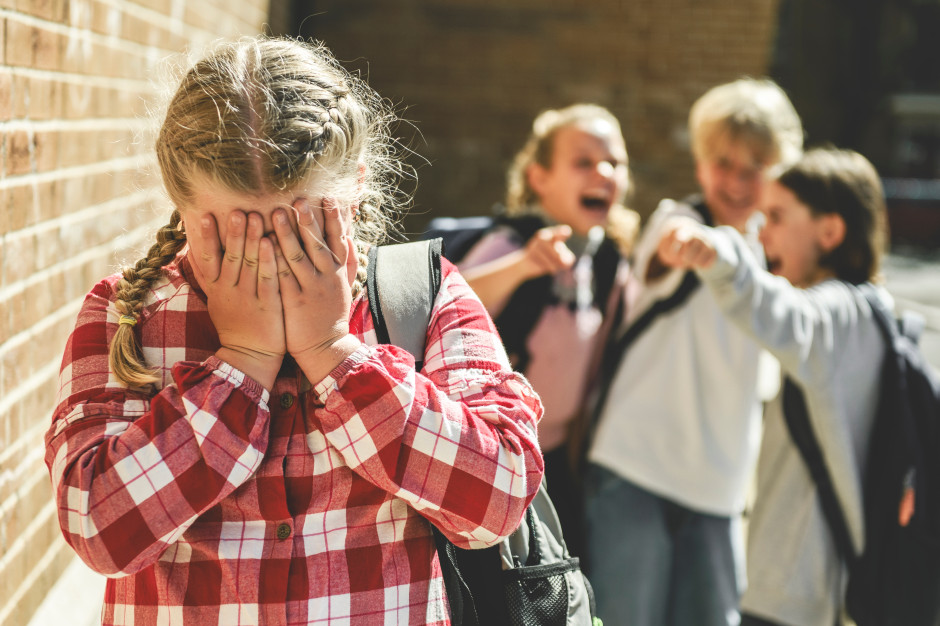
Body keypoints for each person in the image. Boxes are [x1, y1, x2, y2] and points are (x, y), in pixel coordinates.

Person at [44, 36, 544, 626]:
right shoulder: (125, 312)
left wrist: (334, 354)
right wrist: (241, 364)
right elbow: (99, 532)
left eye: (299, 227)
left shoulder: (421, 298)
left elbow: (497, 504)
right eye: (238, 230)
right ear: (181, 202)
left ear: (354, 185)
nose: (269, 257)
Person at [584, 78, 803, 625]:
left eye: (753, 166)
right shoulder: (676, 221)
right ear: (702, 161)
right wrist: (701, 247)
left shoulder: (780, 256)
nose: (734, 179)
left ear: (777, 170)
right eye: (722, 162)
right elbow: (671, 248)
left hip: (720, 487)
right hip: (633, 467)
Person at [657, 147, 890, 626]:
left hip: (796, 591)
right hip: (818, 590)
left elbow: (778, 313)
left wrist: (721, 256)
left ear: (830, 231)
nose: (763, 230)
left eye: (778, 216)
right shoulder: (873, 316)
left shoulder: (836, 314)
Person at [457, 103, 638, 554]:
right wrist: (523, 266)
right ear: (539, 178)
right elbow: (443, 301)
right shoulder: (512, 241)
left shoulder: (609, 260)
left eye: (614, 163)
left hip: (556, 460)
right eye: (583, 162)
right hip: (492, 453)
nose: (603, 172)